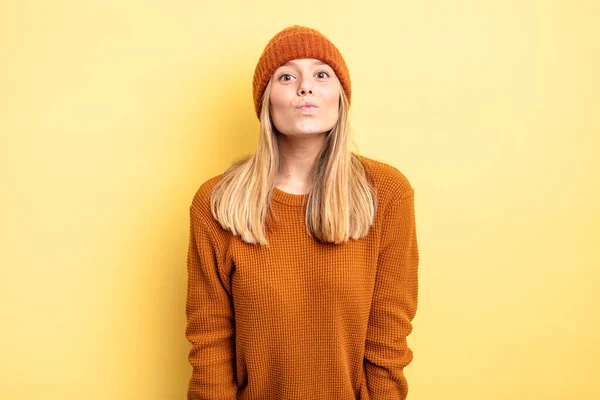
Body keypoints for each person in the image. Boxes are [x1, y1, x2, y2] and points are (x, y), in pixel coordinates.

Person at [185, 25, 419, 400]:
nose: (305, 87)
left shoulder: (387, 194)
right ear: (265, 100)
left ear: (340, 98)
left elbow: (388, 336)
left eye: (321, 74)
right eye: (287, 76)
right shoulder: (217, 202)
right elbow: (210, 338)